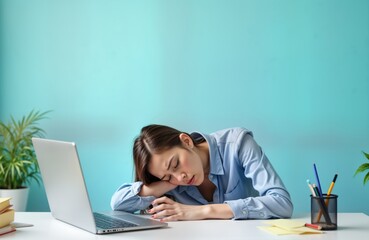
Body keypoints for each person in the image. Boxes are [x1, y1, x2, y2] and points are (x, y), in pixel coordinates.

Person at [111, 124, 293, 222]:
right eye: (167, 176)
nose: (179, 177)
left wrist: (201, 211)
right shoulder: (174, 181)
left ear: (186, 141)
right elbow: (118, 203)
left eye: (175, 164)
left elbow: (281, 202)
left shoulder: (238, 144)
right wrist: (166, 182)